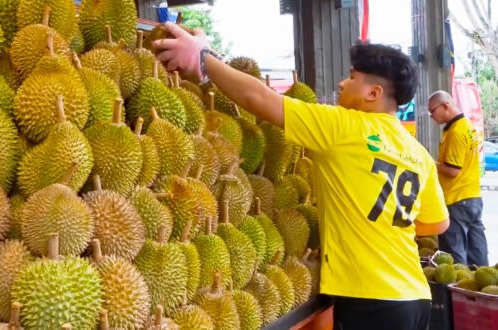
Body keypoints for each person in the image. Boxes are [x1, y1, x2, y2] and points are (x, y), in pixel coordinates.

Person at [153, 23, 450, 330]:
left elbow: (259, 99)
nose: (341, 83)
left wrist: (204, 59)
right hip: (414, 295)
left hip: (369, 296)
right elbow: (436, 223)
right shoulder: (419, 154)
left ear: (373, 93)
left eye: (352, 78)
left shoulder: (344, 126)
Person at [428, 91, 487, 266]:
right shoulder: (467, 125)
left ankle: (457, 291)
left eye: (433, 111)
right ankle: (481, 290)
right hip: (472, 197)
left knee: (454, 253)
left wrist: (431, 163)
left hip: (457, 199)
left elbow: (453, 170)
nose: (432, 116)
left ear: (445, 105)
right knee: (477, 250)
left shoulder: (456, 132)